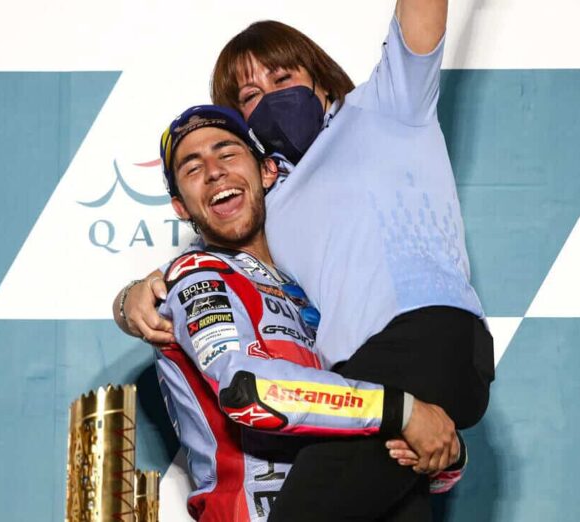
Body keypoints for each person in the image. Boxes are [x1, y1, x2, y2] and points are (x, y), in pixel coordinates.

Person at [116, 1, 494, 518]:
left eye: (282, 78)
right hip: (358, 388)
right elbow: (218, 267)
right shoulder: (269, 198)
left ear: (318, 77)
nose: (272, 98)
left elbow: (422, 17)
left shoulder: (382, 107)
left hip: (424, 339)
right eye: (250, 96)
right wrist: (133, 297)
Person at [154, 105, 465, 522]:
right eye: (193, 168)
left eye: (227, 153)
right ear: (180, 206)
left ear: (267, 171)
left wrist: (442, 448)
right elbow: (249, 392)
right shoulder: (197, 277)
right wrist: (402, 411)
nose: (214, 172)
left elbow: (379, 427)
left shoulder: (311, 288)